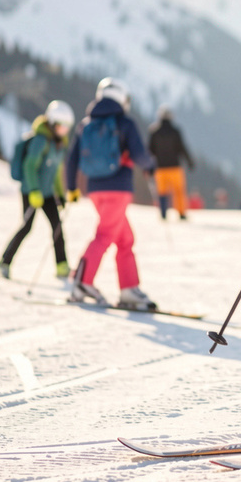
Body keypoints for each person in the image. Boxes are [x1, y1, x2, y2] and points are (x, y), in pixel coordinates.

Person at [65, 78, 157, 311]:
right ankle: (82, 281)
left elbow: (72, 160)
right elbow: (139, 155)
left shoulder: (85, 125)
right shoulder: (124, 123)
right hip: (119, 188)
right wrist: (150, 164)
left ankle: (128, 289)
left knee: (125, 238)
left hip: (95, 190)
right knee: (105, 235)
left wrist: (71, 188)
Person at [0, 100, 75, 279]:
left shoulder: (59, 144)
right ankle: (4, 263)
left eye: (67, 127)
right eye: (62, 126)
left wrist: (61, 194)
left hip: (47, 193)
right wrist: (33, 190)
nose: (65, 131)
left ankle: (62, 266)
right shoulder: (41, 140)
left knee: (57, 228)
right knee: (26, 227)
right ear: (53, 123)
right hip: (30, 191)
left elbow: (56, 171)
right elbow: (29, 166)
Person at [147, 107, 195, 220]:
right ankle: (181, 213)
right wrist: (189, 162)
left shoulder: (154, 131)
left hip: (160, 168)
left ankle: (163, 213)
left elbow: (150, 150)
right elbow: (182, 148)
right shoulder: (175, 131)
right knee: (179, 191)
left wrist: (149, 166)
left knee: (162, 192)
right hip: (175, 167)